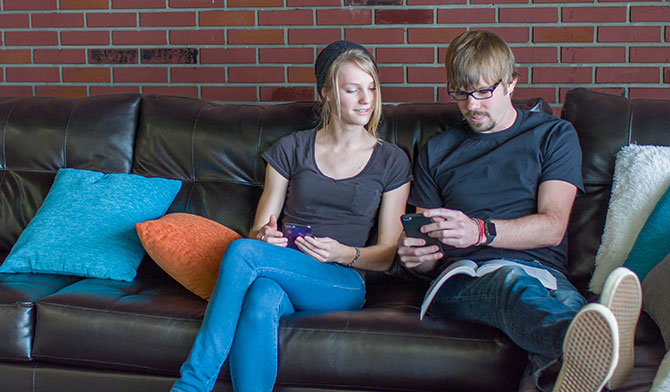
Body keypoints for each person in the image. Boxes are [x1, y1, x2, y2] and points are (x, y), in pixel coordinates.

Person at [397, 30, 642, 392]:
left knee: (568, 329)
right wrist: (419, 258)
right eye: (460, 93)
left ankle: (578, 361)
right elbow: (429, 246)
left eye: (483, 91)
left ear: (511, 83)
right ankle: (608, 350)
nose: (472, 105)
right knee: (514, 287)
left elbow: (553, 227)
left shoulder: (553, 136)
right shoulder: (437, 151)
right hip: (467, 276)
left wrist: (480, 230)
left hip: (545, 274)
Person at [171, 40, 412, 392]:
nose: (366, 99)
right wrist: (264, 236)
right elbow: (259, 229)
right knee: (261, 297)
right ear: (326, 94)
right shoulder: (291, 149)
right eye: (352, 89)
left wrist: (342, 253)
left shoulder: (391, 160)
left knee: (241, 252)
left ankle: (191, 385)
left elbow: (389, 252)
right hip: (283, 266)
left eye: (371, 88)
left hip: (342, 280)